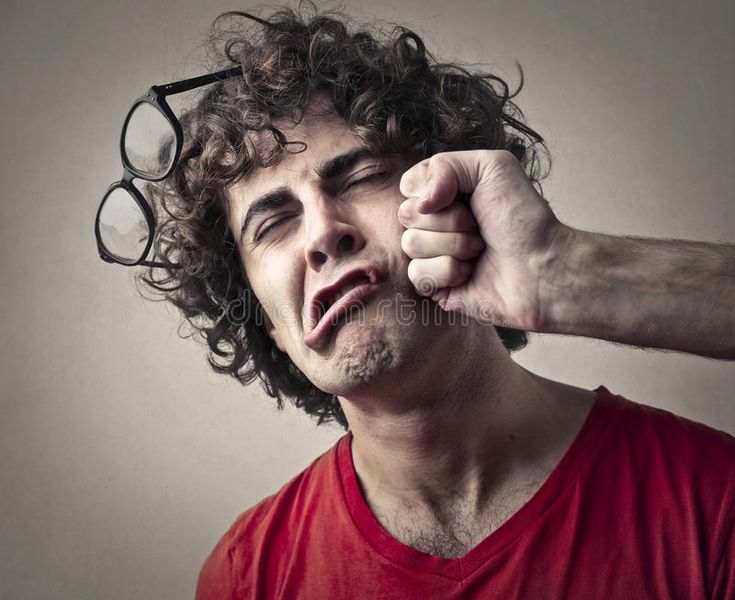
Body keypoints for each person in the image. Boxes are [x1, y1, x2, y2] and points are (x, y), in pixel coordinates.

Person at [97, 7, 735, 599]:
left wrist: (559, 271)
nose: (323, 232)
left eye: (361, 176)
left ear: (460, 197)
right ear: (268, 321)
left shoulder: (709, 498)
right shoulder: (247, 578)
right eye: (273, 223)